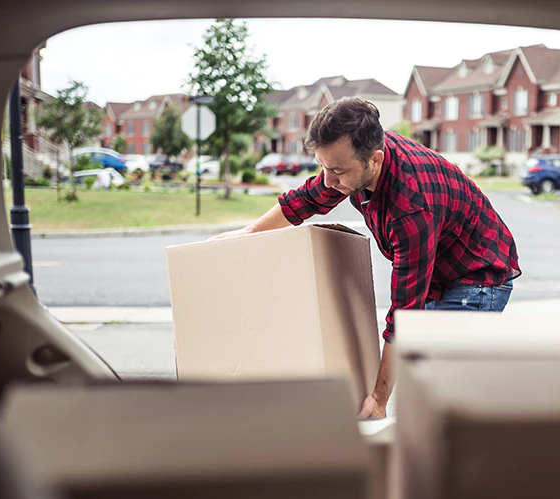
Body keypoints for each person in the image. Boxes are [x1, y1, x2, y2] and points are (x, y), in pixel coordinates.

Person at [211, 97, 520, 419]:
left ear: (374, 160)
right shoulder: (357, 157)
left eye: (338, 171)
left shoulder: (411, 206)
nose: (329, 180)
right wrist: (247, 233)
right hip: (439, 273)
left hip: (477, 277)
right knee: (426, 383)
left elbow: (403, 315)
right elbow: (306, 199)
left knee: (440, 385)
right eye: (323, 166)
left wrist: (378, 399)